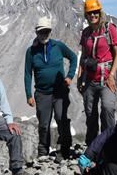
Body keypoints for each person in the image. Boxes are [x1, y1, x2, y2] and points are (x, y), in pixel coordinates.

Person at [24, 17, 78, 160]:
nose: (44, 34)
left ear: (50, 31)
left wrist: (70, 75)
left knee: (61, 119)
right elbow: (28, 73)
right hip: (42, 93)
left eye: (47, 31)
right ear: (37, 32)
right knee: (43, 124)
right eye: (41, 31)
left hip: (60, 92)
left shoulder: (58, 46)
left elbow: (73, 58)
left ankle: (64, 149)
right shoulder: (31, 52)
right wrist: (28, 95)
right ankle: (43, 153)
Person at [78, 0, 117, 145]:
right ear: (86, 15)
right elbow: (83, 56)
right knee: (90, 114)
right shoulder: (85, 33)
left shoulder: (110, 29)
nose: (93, 15)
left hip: (106, 78)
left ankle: (110, 143)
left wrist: (111, 75)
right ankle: (92, 146)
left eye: (95, 12)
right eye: (90, 13)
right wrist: (79, 77)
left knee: (108, 108)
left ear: (100, 12)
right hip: (90, 79)